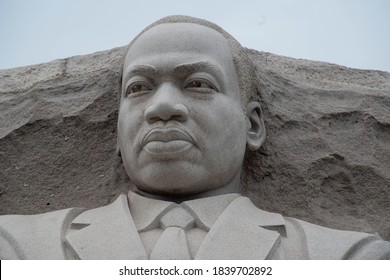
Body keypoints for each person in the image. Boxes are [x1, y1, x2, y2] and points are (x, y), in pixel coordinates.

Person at [0, 15, 389, 260]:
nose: (162, 106)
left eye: (198, 84)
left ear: (253, 124)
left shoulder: (344, 258)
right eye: (138, 88)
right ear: (116, 134)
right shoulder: (22, 249)